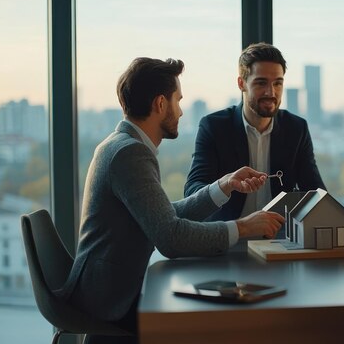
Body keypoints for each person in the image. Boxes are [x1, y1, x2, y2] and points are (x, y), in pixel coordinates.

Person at [56, 57, 284, 343]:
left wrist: (223, 186)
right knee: (209, 324)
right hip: (111, 297)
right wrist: (243, 227)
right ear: (160, 104)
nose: (181, 111)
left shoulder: (122, 144)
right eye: (178, 100)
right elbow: (171, 238)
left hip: (109, 286)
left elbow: (162, 216)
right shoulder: (130, 154)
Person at [184, 42, 325, 227]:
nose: (271, 92)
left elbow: (315, 193)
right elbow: (193, 192)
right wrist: (226, 184)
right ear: (241, 84)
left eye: (277, 83)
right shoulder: (214, 127)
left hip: (280, 239)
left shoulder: (296, 128)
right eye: (261, 83)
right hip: (229, 238)